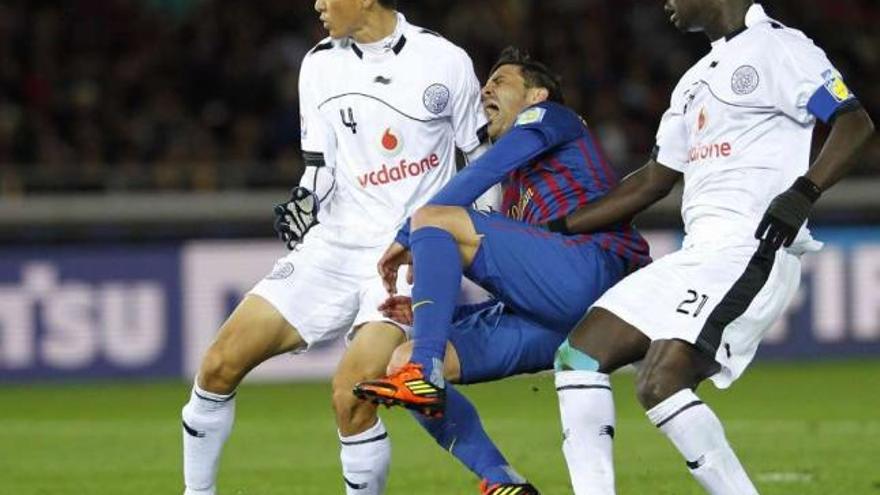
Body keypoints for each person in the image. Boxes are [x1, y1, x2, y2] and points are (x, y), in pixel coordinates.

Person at [546, 2, 875, 494]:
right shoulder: (694, 79)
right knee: (579, 356)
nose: (666, 2)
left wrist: (802, 194)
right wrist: (559, 226)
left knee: (661, 382)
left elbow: (855, 124)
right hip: (696, 254)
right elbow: (654, 181)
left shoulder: (782, 47)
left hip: (754, 245)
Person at [179, 1, 494, 494]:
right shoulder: (318, 64)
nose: (318, 4)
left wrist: (476, 244)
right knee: (218, 364)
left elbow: (481, 161)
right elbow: (319, 169)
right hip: (333, 247)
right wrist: (305, 201)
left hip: (408, 257)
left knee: (352, 395)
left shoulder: (445, 61)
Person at [353, 46, 650, 494]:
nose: (486, 89)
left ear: (536, 94)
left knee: (433, 218)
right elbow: (521, 288)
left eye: (500, 81)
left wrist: (409, 231)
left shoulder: (553, 117)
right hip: (559, 318)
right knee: (401, 362)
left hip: (598, 274)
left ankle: (426, 368)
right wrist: (440, 316)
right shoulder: (517, 195)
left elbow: (483, 171)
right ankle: (503, 481)